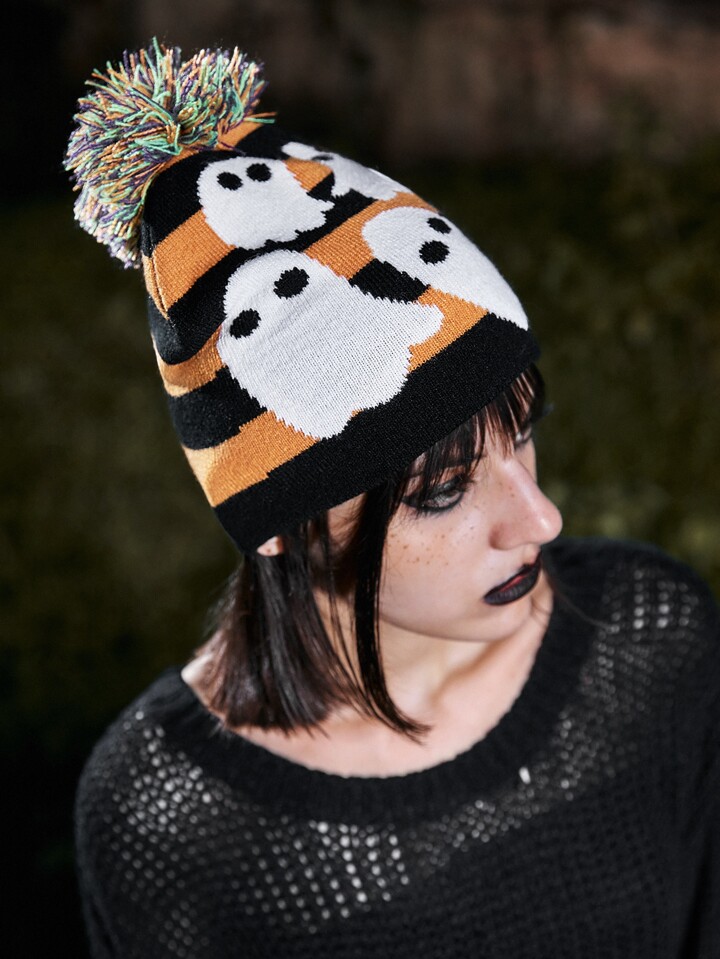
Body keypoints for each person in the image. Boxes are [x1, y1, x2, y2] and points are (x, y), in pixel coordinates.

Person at [64, 39, 719, 959]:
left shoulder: (652, 640)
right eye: (443, 489)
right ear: (280, 523)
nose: (542, 519)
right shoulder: (170, 821)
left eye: (523, 431)